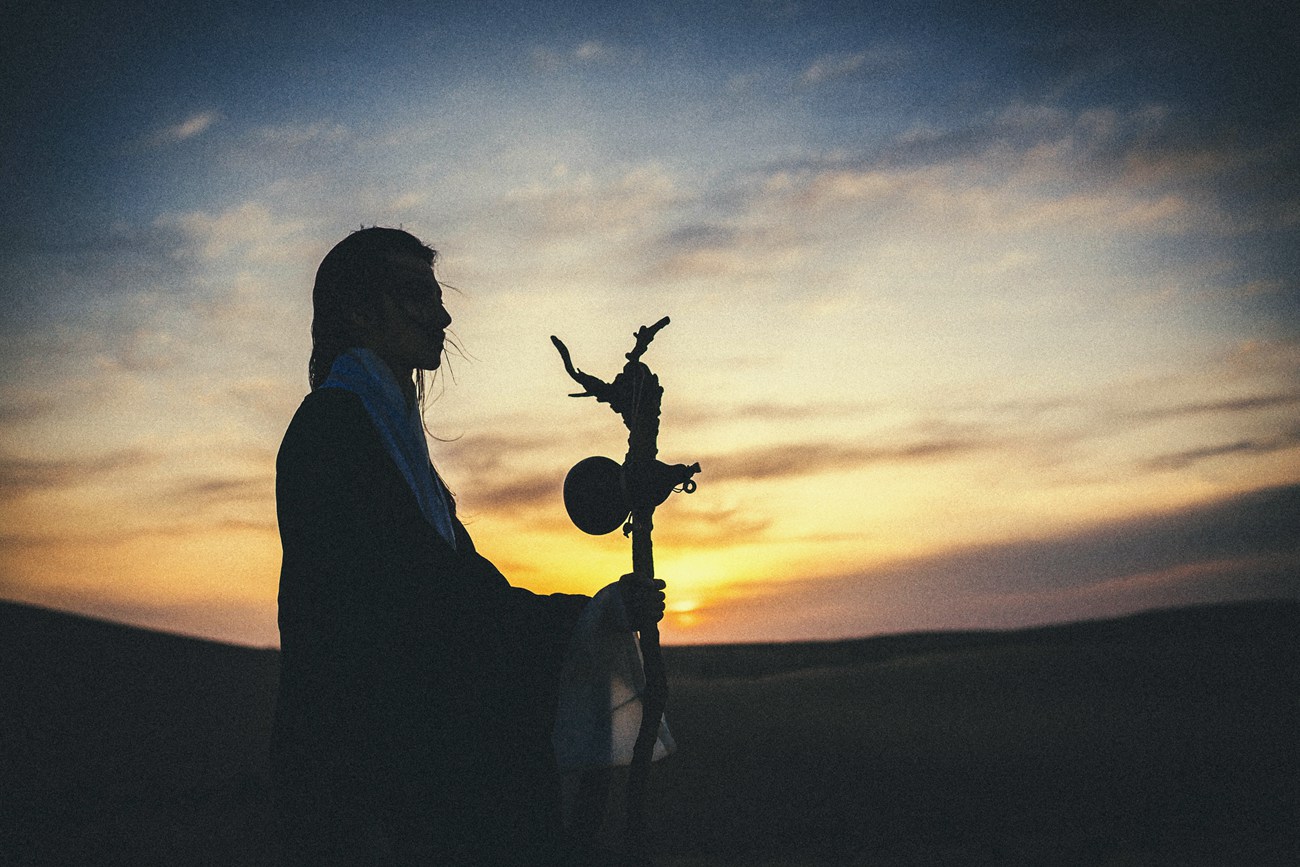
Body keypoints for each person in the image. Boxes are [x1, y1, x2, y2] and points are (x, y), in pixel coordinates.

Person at [270, 227, 666, 866]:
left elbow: (466, 588)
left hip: (394, 772)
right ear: (359, 311)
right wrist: (585, 619)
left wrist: (598, 611)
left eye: (438, 297)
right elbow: (423, 605)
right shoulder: (333, 431)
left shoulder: (392, 443)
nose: (442, 317)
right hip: (365, 782)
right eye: (415, 296)